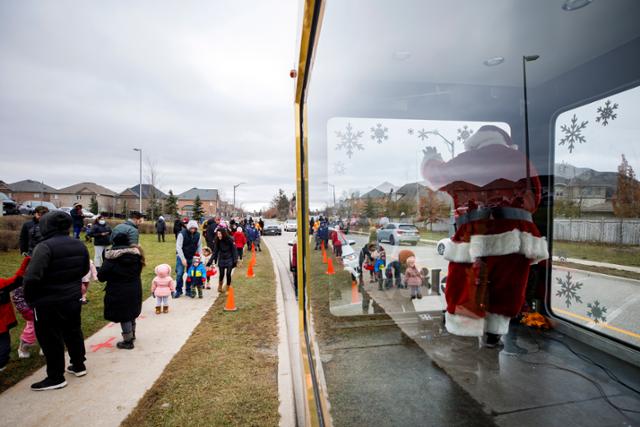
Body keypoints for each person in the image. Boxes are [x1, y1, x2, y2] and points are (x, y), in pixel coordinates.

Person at [421, 125, 548, 346]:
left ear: (476, 141)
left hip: (477, 234)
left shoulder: (468, 159)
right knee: (507, 287)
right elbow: (535, 198)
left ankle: (464, 336)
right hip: (518, 236)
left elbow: (437, 177)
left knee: (465, 285)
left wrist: (431, 158)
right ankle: (494, 335)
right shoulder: (521, 160)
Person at [23, 211, 90, 390]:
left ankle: (55, 377)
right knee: (73, 331)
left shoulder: (44, 247)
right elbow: (84, 269)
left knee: (50, 338)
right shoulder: (79, 244)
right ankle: (78, 364)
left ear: (46, 226)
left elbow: (31, 277)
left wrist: (30, 299)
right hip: (72, 298)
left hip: (47, 301)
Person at [98, 233, 144, 350]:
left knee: (124, 315)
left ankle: (128, 341)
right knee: (131, 311)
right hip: (134, 287)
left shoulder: (111, 259)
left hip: (118, 289)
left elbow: (101, 276)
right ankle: (132, 334)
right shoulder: (137, 257)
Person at [0, 258, 30, 371]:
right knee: (4, 347)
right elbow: (17, 280)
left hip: (3, 324)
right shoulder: (2, 284)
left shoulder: (2, 283)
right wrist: (26, 261)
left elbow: (17, 280)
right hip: (2, 325)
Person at [175, 220, 203, 298]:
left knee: (190, 275)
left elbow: (199, 246)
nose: (193, 230)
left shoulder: (198, 235)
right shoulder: (182, 234)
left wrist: (199, 256)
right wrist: (183, 259)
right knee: (179, 274)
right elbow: (178, 247)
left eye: (194, 228)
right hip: (181, 257)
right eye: (191, 228)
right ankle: (178, 290)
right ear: (188, 227)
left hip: (192, 257)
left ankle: (188, 290)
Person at [208, 228, 237, 293]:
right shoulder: (217, 240)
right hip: (221, 259)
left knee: (228, 274)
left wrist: (235, 260)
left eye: (220, 234)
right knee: (221, 274)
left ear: (223, 233)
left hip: (229, 258)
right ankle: (220, 285)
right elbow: (215, 252)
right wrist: (209, 262)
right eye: (218, 234)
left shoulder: (230, 240)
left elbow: (234, 250)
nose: (219, 235)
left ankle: (228, 287)